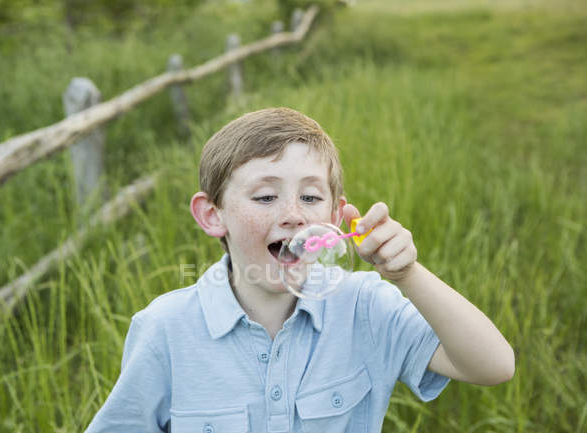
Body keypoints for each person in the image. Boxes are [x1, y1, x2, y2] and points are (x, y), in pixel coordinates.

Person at [84, 107, 514, 433]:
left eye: (310, 198)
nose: (292, 215)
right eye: (266, 197)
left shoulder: (364, 306)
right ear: (213, 215)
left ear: (336, 213)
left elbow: (493, 366)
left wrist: (408, 275)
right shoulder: (166, 329)